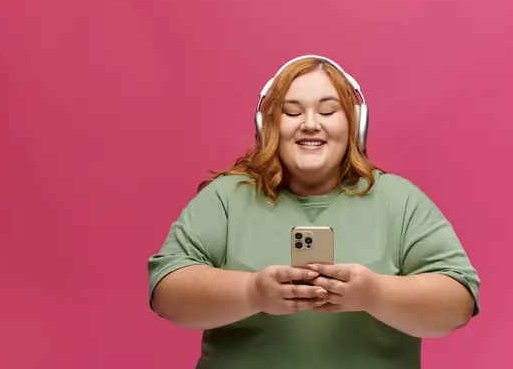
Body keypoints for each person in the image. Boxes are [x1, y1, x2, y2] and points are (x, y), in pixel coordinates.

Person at [146, 55, 480, 368]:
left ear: (354, 124)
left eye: (328, 111)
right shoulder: (227, 199)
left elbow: (457, 305)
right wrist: (253, 293)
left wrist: (375, 294)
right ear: (268, 126)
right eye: (292, 113)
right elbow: (167, 294)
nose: (310, 124)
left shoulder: (400, 201)